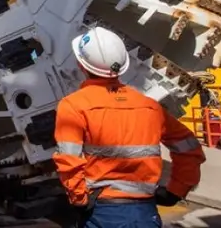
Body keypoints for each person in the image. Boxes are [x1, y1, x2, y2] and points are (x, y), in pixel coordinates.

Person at [53, 26, 206, 227]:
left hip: (102, 212)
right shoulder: (150, 107)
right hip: (145, 212)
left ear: (82, 65)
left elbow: (69, 161)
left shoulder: (73, 106)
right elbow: (190, 150)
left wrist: (79, 200)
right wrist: (175, 190)